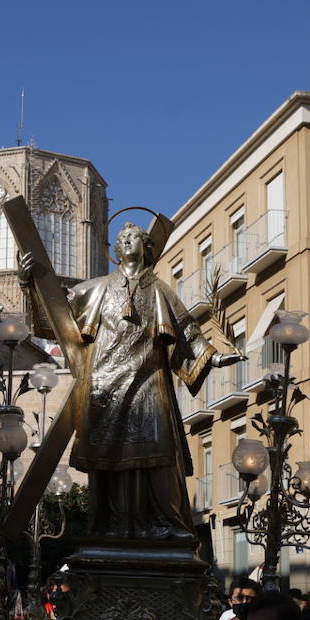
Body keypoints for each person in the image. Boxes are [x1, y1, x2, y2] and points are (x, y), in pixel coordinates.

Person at [17, 223, 240, 541]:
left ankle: (165, 521)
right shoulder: (95, 289)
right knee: (111, 457)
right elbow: (57, 316)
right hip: (104, 386)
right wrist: (30, 286)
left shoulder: (160, 290)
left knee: (161, 450)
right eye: (121, 238)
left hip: (149, 381)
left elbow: (186, 332)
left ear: (146, 246)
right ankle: (111, 525)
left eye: (132, 236)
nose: (125, 240)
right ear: (116, 250)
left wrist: (215, 358)